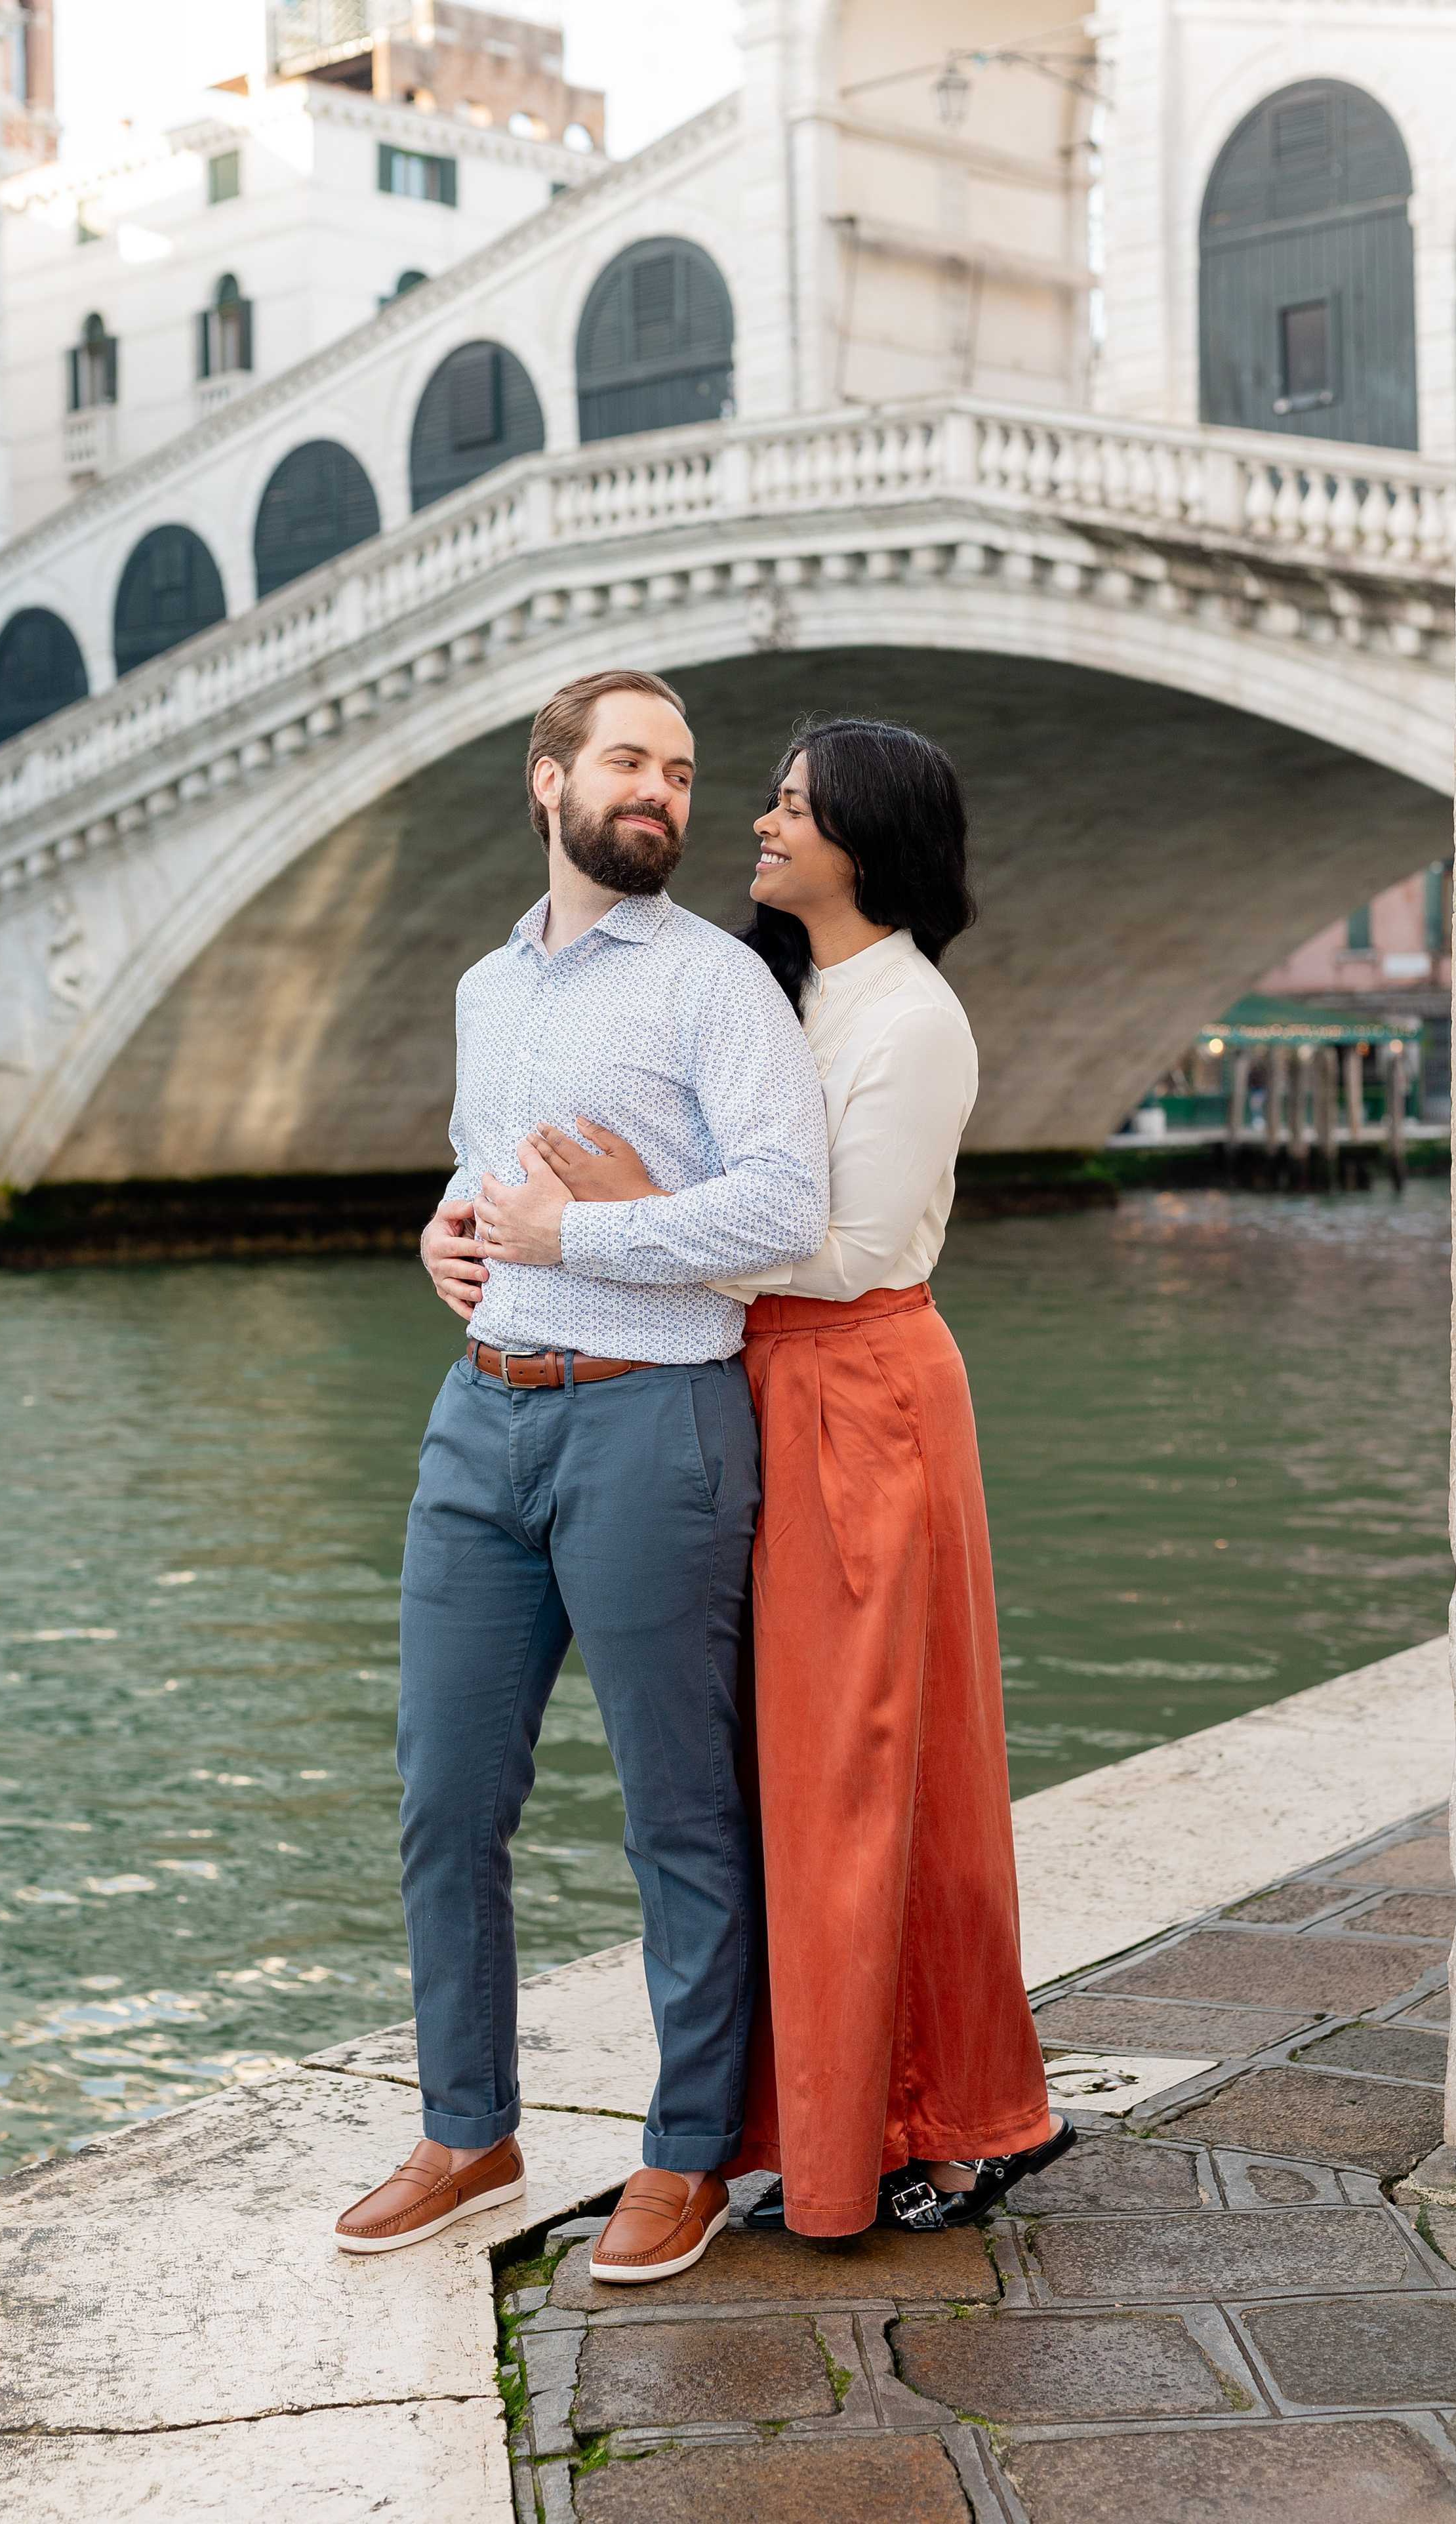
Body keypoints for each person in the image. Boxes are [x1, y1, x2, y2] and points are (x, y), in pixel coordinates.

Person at [528, 717, 1073, 2237]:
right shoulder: (779, 988)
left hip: (858, 1394)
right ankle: (813, 2113)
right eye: (762, 799)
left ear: (867, 840)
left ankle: (934, 2112)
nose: (756, 825)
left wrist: (651, 1208)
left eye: (789, 806)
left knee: (865, 1765)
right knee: (773, 1772)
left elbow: (839, 1249)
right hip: (756, 1382)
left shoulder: (911, 1019)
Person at [333, 668, 829, 2284]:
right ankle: (467, 2127)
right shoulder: (489, 987)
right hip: (478, 1419)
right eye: (629, 763)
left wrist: (582, 1236)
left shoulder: (716, 985)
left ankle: (685, 2151)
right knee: (442, 1799)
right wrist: (449, 1229)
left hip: (651, 1427)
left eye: (682, 774)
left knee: (678, 1809)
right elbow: (495, 1170)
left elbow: (783, 1210)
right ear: (547, 782)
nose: (663, 796)